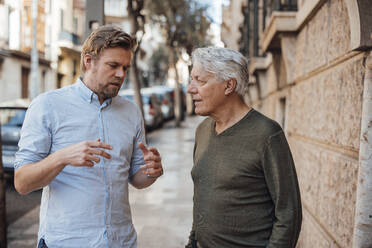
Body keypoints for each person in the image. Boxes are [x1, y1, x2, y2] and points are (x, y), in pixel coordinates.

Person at [14, 25, 163, 248]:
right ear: (88, 61)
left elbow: (137, 179)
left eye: (125, 67)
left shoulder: (131, 112)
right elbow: (22, 183)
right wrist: (62, 157)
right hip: (65, 242)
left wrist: (152, 172)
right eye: (113, 65)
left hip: (121, 241)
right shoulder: (47, 106)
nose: (121, 74)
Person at [185, 47, 302, 248]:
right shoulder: (202, 130)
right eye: (191, 80)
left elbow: (288, 215)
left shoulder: (266, 134)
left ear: (229, 85)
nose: (190, 89)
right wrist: (192, 242)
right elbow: (202, 199)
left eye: (200, 81)